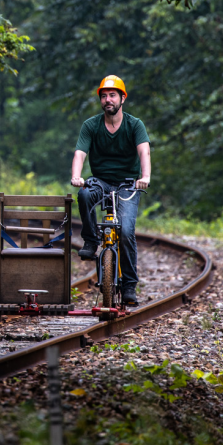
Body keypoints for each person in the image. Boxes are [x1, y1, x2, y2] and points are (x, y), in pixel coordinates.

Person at [70, 75, 151, 306]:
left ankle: (129, 286)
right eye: (104, 96)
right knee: (84, 194)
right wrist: (77, 176)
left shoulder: (134, 124)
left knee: (125, 232)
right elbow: (80, 153)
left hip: (128, 183)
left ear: (122, 98)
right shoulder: (91, 125)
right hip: (101, 181)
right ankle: (91, 240)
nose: (108, 100)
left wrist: (145, 177)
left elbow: (144, 151)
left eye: (112, 95)